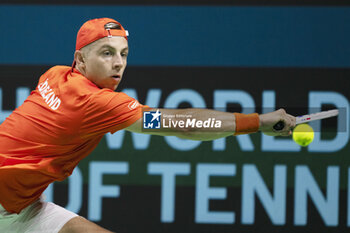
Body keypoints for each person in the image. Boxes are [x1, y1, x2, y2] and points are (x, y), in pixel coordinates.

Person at [0, 17, 295, 233]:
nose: (118, 63)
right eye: (107, 53)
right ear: (80, 59)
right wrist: (258, 122)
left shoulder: (54, 75)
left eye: (123, 54)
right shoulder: (99, 103)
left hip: (19, 207)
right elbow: (184, 124)